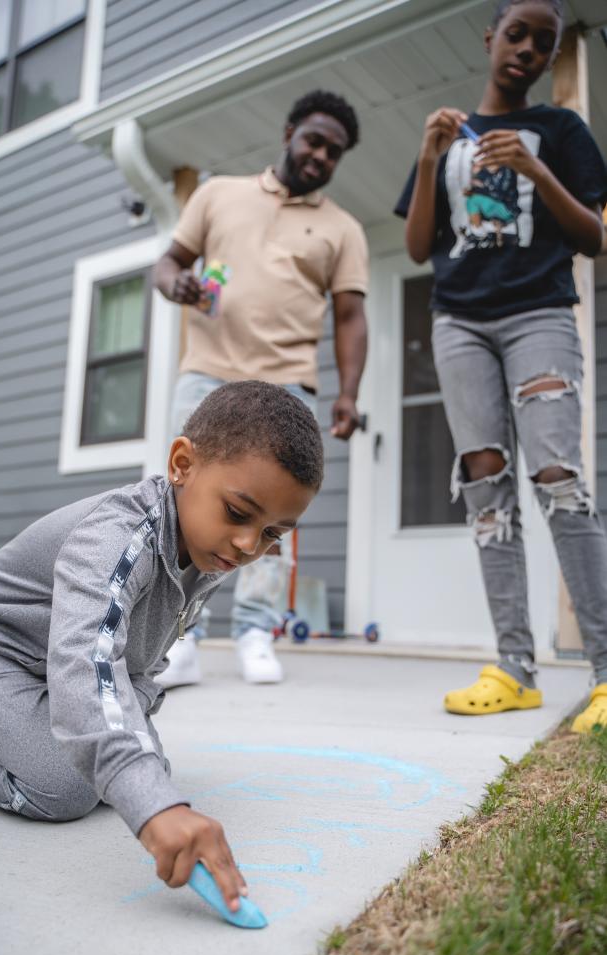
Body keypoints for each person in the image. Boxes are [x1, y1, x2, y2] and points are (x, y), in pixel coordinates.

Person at [0, 382, 323, 911]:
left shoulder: (211, 544)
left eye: (273, 533)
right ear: (182, 464)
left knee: (142, 771)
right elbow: (86, 664)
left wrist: (140, 749)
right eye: (238, 512)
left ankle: (42, 730)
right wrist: (155, 809)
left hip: (63, 658)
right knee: (66, 791)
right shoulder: (116, 538)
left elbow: (143, 650)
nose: (250, 545)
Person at [395, 0, 607, 733]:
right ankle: (515, 668)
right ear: (489, 40)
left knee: (559, 477)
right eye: (516, 35)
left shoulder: (560, 130)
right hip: (458, 324)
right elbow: (421, 248)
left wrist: (535, 168)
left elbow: (593, 236)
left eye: (543, 43)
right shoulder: (447, 136)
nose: (528, 50)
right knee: (485, 484)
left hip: (538, 316)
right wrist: (427, 160)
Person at [154, 89, 368, 687]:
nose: (322, 156)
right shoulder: (218, 193)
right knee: (183, 499)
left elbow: (351, 316)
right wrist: (177, 286)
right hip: (207, 371)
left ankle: (254, 630)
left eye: (335, 151)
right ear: (289, 132)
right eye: (314, 141)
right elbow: (167, 263)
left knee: (274, 513)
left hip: (287, 382)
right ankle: (178, 635)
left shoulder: (343, 229)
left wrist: (349, 392)